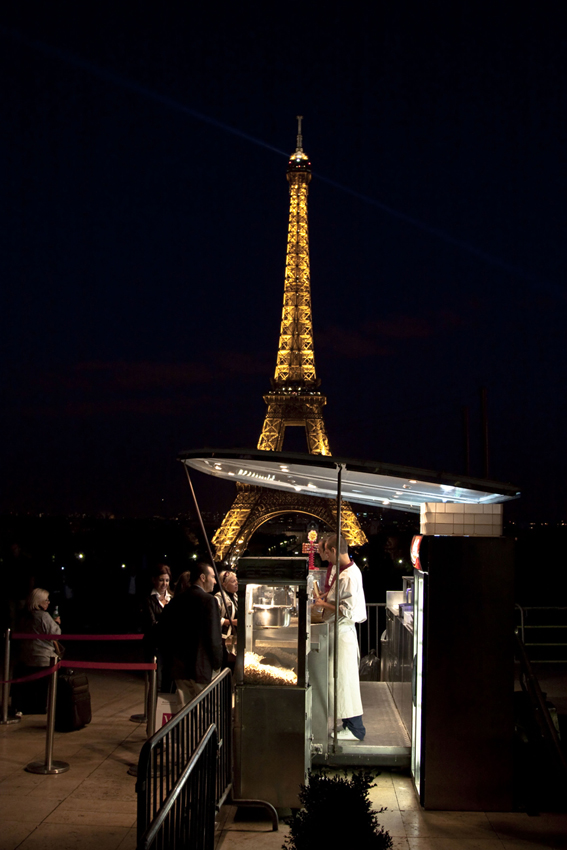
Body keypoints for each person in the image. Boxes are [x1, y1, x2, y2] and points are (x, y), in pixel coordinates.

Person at [314, 533, 367, 741]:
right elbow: (340, 598)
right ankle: (348, 724)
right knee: (341, 681)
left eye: (326, 552)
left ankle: (355, 728)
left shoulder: (348, 576)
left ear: (334, 550)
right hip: (340, 633)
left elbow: (349, 610)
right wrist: (326, 598)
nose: (325, 557)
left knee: (345, 681)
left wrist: (322, 604)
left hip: (343, 633)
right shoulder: (345, 571)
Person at [158, 561, 223, 707]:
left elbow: (164, 631)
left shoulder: (176, 600)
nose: (214, 581)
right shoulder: (208, 601)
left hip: (180, 668)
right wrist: (218, 663)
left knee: (184, 713)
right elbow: (213, 637)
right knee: (206, 711)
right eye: (212, 577)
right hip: (202, 667)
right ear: (203, 577)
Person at [13, 588, 62, 715]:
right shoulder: (43, 616)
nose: (49, 602)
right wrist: (56, 623)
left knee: (28, 685)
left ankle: (22, 707)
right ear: (38, 601)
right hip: (42, 657)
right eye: (46, 600)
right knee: (41, 687)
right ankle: (39, 707)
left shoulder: (24, 616)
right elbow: (55, 634)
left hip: (25, 656)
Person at [142, 564, 173, 691]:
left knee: (170, 684)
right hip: (155, 648)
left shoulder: (173, 597)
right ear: (154, 580)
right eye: (161, 580)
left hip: (171, 647)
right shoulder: (148, 600)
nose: (164, 584)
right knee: (156, 684)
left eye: (167, 580)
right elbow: (151, 624)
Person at [215, 570, 238, 670]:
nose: (236, 583)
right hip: (223, 639)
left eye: (236, 580)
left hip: (233, 639)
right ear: (224, 584)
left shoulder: (236, 597)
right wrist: (232, 622)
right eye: (233, 581)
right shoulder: (218, 598)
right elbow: (215, 619)